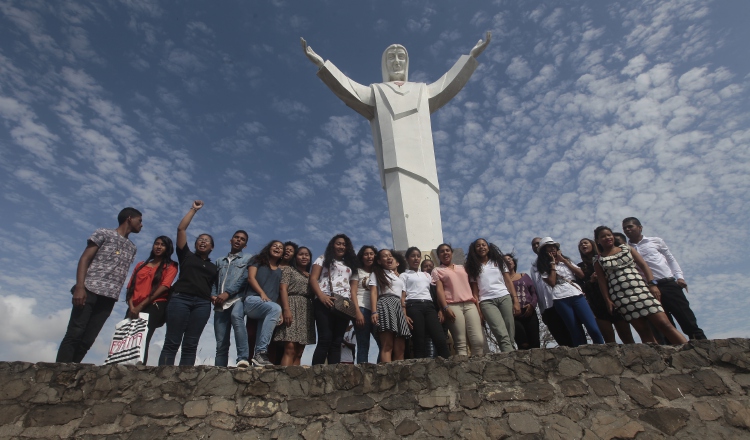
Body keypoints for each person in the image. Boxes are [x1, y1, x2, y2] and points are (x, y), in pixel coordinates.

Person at [300, 33, 491, 251]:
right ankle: (408, 255)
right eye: (392, 57)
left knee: (428, 208)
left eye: (401, 57)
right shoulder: (377, 92)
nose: (397, 61)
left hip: (424, 163)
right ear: (384, 64)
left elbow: (448, 83)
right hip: (395, 164)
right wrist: (323, 65)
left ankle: (434, 253)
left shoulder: (422, 90)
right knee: (403, 212)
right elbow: (348, 89)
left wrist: (470, 57)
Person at [57, 207, 142, 363]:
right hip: (89, 290)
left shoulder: (132, 247)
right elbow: (85, 259)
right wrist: (80, 287)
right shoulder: (103, 233)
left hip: (109, 298)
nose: (141, 225)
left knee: (88, 340)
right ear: (129, 218)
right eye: (140, 220)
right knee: (75, 333)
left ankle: (71, 374)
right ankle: (58, 372)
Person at [594, 226, 688, 345]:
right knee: (643, 331)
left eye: (609, 235)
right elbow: (602, 282)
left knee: (664, 324)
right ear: (598, 240)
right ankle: (658, 361)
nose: (607, 238)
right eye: (603, 236)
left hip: (641, 289)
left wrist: (651, 284)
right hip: (621, 296)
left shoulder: (627, 248)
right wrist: (608, 300)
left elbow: (644, 266)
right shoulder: (598, 259)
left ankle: (688, 351)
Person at [622, 217, 706, 340]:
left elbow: (670, 259)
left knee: (686, 318)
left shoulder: (655, 241)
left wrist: (679, 277)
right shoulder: (625, 249)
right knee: (662, 325)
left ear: (640, 227)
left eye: (630, 226)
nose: (627, 230)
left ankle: (702, 346)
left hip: (667, 283)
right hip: (647, 289)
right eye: (625, 228)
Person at [159, 201, 217, 366]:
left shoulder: (214, 267)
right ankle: (162, 377)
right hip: (180, 299)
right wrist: (194, 210)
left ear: (212, 247)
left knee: (191, 345)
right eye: (199, 239)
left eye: (206, 240)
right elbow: (181, 229)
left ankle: (184, 383)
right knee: (172, 341)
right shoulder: (186, 256)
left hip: (202, 304)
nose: (202, 242)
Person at [537, 237, 604, 347]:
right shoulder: (543, 267)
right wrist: (552, 264)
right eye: (549, 248)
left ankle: (602, 348)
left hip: (576, 294)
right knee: (575, 330)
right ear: (544, 251)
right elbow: (552, 282)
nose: (552, 250)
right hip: (560, 298)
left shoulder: (566, 261)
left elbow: (581, 274)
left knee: (592, 327)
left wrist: (563, 260)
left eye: (554, 247)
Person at [124, 235, 177, 365]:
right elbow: (131, 286)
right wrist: (132, 306)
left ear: (168, 248)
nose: (158, 247)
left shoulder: (171, 266)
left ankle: (138, 368)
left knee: (143, 339)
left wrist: (140, 306)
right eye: (156, 243)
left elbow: (164, 286)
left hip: (153, 305)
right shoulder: (141, 265)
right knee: (127, 339)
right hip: (133, 306)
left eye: (162, 245)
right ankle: (122, 367)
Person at [309, 234, 362, 365]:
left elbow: (353, 290)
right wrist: (321, 296)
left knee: (337, 341)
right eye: (338, 243)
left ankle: (333, 376)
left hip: (344, 304)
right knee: (325, 339)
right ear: (332, 245)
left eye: (344, 244)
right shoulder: (323, 258)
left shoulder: (352, 265)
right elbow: (313, 278)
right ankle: (315, 375)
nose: (341, 246)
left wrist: (356, 310)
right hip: (325, 300)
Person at [465, 239, 520, 353]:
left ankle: (509, 352)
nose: (481, 247)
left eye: (483, 245)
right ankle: (511, 356)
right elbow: (475, 290)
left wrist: (515, 300)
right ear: (474, 250)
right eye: (478, 246)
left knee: (510, 328)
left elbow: (508, 281)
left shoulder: (499, 261)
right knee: (500, 331)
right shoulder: (473, 266)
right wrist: (478, 308)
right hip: (486, 301)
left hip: (504, 296)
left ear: (488, 247)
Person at [577, 238, 634, 344]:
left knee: (627, 337)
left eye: (585, 243)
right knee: (609, 342)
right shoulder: (580, 267)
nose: (583, 245)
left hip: (614, 298)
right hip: (597, 304)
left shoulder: (604, 259)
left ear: (593, 245)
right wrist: (591, 280)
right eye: (581, 245)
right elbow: (580, 288)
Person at [529, 237, 583, 347]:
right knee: (562, 340)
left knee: (575, 333)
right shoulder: (534, 267)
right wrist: (542, 310)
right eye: (533, 244)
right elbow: (538, 289)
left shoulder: (559, 261)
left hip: (563, 300)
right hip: (548, 307)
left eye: (538, 243)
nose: (536, 246)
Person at [432, 243, 485, 356]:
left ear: (451, 252)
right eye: (442, 251)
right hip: (453, 306)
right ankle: (464, 371)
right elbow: (439, 291)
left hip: (470, 304)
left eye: (447, 250)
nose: (445, 253)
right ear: (438, 256)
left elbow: (473, 286)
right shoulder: (437, 271)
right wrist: (445, 308)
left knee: (478, 340)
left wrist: (478, 307)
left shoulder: (463, 268)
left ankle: (478, 368)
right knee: (461, 342)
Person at [211, 230, 252, 368]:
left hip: (237, 299)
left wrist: (228, 293)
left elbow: (245, 279)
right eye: (236, 237)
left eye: (242, 239)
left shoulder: (247, 259)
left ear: (245, 245)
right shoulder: (219, 261)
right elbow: (214, 281)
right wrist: (214, 295)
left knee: (237, 318)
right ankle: (219, 369)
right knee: (221, 341)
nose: (239, 240)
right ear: (231, 240)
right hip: (220, 303)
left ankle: (243, 359)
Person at [402, 247, 450, 358]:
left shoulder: (427, 275)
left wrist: (441, 309)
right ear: (407, 259)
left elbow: (435, 291)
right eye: (413, 256)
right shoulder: (404, 275)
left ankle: (449, 367)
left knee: (439, 338)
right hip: (413, 306)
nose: (416, 258)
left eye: (418, 256)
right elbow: (403, 296)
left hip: (429, 306)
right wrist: (404, 313)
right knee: (419, 340)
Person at [243, 240, 284, 366]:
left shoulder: (280, 271)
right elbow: (251, 278)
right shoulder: (257, 260)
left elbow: (278, 293)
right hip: (253, 300)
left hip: (268, 306)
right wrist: (262, 293)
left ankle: (258, 358)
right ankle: (261, 353)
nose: (277, 248)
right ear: (269, 247)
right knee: (274, 309)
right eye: (275, 246)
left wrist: (280, 312)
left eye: (280, 247)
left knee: (263, 335)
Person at [274, 246, 316, 366]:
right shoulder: (289, 270)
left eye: (307, 255)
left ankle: (295, 381)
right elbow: (283, 288)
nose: (304, 257)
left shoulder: (311, 276)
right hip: (291, 305)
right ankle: (284, 380)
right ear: (295, 257)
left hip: (306, 310)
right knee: (290, 348)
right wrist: (286, 310)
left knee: (299, 351)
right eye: (301, 254)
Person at [369, 249, 411, 362]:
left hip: (398, 307)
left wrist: (404, 314)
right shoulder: (377, 273)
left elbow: (403, 298)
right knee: (387, 345)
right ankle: (386, 376)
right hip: (385, 304)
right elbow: (373, 292)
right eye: (385, 256)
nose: (389, 258)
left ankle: (398, 375)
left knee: (400, 347)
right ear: (379, 261)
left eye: (390, 255)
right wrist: (374, 311)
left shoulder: (398, 277)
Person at [503, 253, 540, 350]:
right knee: (522, 343)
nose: (508, 262)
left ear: (514, 263)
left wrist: (532, 305)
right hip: (514, 315)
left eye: (510, 259)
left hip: (529, 312)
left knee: (535, 342)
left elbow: (534, 293)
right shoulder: (502, 282)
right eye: (505, 261)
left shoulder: (524, 276)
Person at [354, 245, 378, 363]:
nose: (369, 256)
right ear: (362, 257)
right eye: (366, 254)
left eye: (371, 253)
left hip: (376, 310)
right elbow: (352, 292)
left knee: (383, 342)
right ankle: (362, 374)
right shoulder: (357, 271)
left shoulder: (379, 272)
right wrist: (357, 312)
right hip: (361, 308)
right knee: (363, 344)